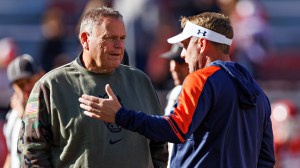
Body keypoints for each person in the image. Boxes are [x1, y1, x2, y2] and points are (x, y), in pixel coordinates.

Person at [79, 12, 275, 167]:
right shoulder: (258, 92)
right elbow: (265, 159)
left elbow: (175, 129)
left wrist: (120, 115)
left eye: (185, 45)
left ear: (202, 43)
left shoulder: (201, 79)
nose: (182, 54)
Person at [17, 6, 167, 168]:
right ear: (85, 39)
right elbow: (32, 149)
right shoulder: (51, 86)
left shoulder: (141, 82)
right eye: (110, 38)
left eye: (122, 38)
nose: (118, 45)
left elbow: (159, 143)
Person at [3, 54, 45, 168]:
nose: (26, 87)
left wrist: (23, 113)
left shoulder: (50, 105)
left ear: (41, 75)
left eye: (29, 80)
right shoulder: (12, 114)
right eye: (20, 84)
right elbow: (11, 154)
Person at [160, 44, 189, 168]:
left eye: (180, 62)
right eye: (172, 61)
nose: (173, 67)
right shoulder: (175, 92)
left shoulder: (199, 91)